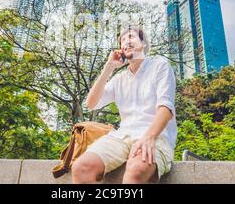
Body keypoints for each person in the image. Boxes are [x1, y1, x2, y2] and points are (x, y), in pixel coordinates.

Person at [71, 25, 177, 184]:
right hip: (122, 136)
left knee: (136, 171)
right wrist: (109, 68)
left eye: (131, 36)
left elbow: (166, 108)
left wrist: (149, 137)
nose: (126, 41)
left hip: (155, 135)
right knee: (81, 167)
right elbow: (91, 103)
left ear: (143, 43)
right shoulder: (119, 79)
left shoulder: (159, 65)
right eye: (122, 40)